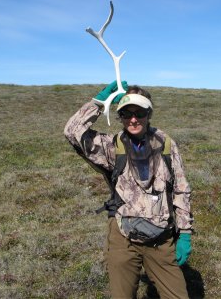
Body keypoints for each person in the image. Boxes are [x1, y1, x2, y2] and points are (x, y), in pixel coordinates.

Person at [64, 81, 193, 298]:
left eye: (139, 112)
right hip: (123, 237)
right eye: (126, 113)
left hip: (160, 239)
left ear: (148, 113)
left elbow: (181, 189)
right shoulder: (111, 147)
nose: (133, 119)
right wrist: (98, 102)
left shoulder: (167, 145)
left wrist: (185, 234)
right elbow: (72, 131)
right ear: (120, 117)